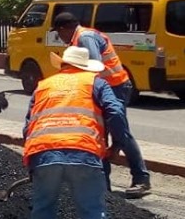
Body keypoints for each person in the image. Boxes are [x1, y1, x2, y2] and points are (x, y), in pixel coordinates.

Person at [23, 46, 130, 219]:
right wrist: (118, 144)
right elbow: (115, 111)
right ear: (85, 66)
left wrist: (31, 162)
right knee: (92, 210)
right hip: (84, 152)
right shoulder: (96, 83)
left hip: (44, 152)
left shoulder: (43, 85)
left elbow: (29, 125)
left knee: (43, 207)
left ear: (62, 64)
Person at [52, 11, 151, 198]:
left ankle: (141, 179)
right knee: (100, 133)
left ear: (64, 29)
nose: (60, 38)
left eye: (59, 34)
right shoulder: (79, 38)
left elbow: (94, 67)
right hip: (105, 87)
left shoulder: (85, 37)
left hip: (114, 87)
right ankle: (103, 185)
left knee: (120, 131)